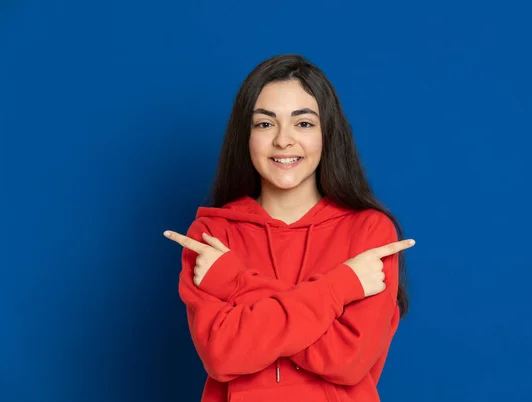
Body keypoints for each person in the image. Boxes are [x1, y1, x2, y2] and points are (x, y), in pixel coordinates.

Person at [163, 54, 416, 402]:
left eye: (304, 123)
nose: (283, 140)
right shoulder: (212, 235)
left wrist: (235, 283)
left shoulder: (370, 232)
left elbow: (348, 360)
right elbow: (223, 357)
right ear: (245, 134)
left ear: (328, 133)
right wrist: (339, 287)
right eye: (265, 124)